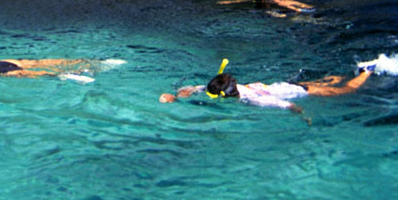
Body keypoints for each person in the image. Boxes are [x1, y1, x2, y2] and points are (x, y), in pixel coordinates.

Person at [159, 58, 376, 112]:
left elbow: (286, 105)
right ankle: (351, 72)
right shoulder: (232, 87)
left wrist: (302, 114)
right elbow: (196, 88)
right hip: (283, 85)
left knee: (347, 90)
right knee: (327, 82)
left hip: (295, 91)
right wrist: (175, 96)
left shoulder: (252, 98)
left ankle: (369, 69)